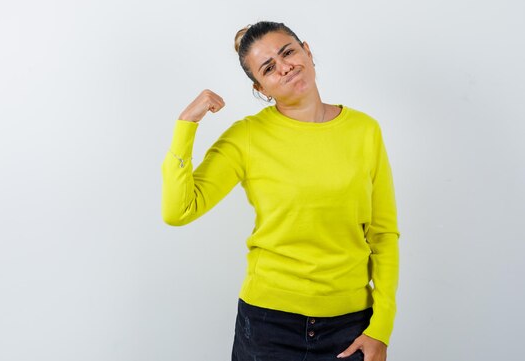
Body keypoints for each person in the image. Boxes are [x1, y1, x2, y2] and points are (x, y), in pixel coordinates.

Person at [161, 21, 399, 361]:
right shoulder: (246, 137)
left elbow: (383, 234)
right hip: (267, 324)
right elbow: (178, 210)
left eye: (287, 52)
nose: (284, 66)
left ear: (307, 51)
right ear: (262, 88)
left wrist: (382, 328)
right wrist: (186, 125)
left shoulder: (364, 130)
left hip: (350, 327)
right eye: (269, 68)